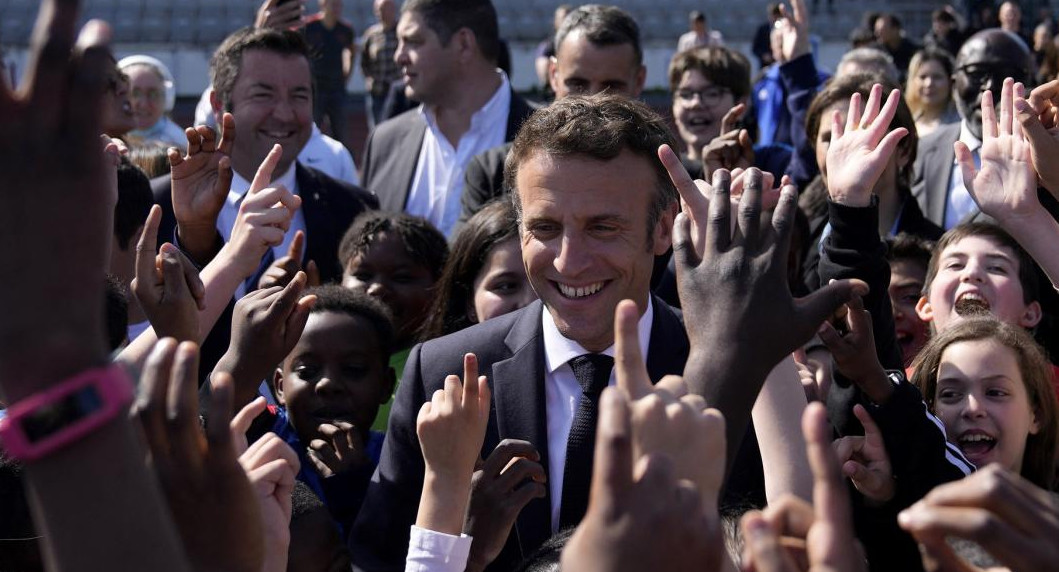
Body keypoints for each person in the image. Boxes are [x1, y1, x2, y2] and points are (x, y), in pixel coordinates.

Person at [351, 94, 685, 571]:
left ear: (663, 229)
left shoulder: (722, 375)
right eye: (545, 228)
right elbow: (375, 561)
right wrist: (457, 540)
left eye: (603, 228)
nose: (569, 260)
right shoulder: (443, 374)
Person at [458, 3, 646, 229]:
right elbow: (468, 262)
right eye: (577, 84)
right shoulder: (492, 173)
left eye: (611, 87)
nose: (593, 100)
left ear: (639, 81)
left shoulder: (673, 176)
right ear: (553, 75)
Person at [360, 0, 537, 238]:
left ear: (463, 44)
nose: (398, 57)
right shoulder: (384, 143)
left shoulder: (544, 142)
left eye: (413, 42)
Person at [227, 285, 398, 532]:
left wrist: (358, 491)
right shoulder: (256, 442)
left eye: (354, 369)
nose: (328, 384)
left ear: (385, 385)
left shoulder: (398, 462)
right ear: (280, 386)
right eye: (307, 372)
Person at [910, 317, 1058, 489]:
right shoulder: (900, 512)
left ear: (1036, 416)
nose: (972, 409)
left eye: (995, 392)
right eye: (950, 394)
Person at [912, 29, 1034, 229]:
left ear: (1030, 82)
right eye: (976, 74)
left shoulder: (1045, 157)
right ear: (953, 83)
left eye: (1007, 76)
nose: (990, 86)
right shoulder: (923, 151)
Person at [338, 211, 448, 431]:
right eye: (363, 275)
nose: (377, 288)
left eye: (402, 277)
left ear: (439, 288)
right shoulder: (323, 356)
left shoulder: (440, 374)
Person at [421, 200, 534, 341]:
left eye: (546, 283)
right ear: (469, 302)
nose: (530, 301)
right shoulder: (436, 362)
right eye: (506, 286)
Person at [302, 0, 355, 147]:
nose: (337, 8)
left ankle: (340, 166)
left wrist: (347, 73)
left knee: (341, 132)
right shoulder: (309, 27)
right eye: (333, 4)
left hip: (337, 88)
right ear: (323, 4)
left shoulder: (345, 29)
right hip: (316, 88)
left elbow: (351, 51)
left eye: (339, 4)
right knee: (312, 130)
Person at [118, 55, 186, 148]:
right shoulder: (100, 140)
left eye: (153, 94)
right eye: (135, 93)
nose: (143, 104)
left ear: (167, 98)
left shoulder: (179, 144)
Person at [360, 0, 400, 131]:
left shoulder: (401, 32)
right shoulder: (371, 35)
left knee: (398, 129)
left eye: (385, 9)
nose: (381, 13)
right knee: (377, 131)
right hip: (377, 92)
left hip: (397, 92)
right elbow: (364, 61)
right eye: (379, 10)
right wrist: (369, 79)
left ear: (393, 10)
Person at [905, 48, 960, 137]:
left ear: (951, 81)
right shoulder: (906, 124)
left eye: (937, 77)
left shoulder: (962, 124)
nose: (929, 84)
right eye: (923, 77)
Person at [533, 4, 573, 96]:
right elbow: (544, 74)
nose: (566, 21)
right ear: (556, 22)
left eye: (569, 18)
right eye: (563, 18)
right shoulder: (548, 46)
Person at [873, 13, 920, 82]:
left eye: (882, 29)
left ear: (895, 29)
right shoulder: (876, 52)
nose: (877, 33)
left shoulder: (913, 51)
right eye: (877, 30)